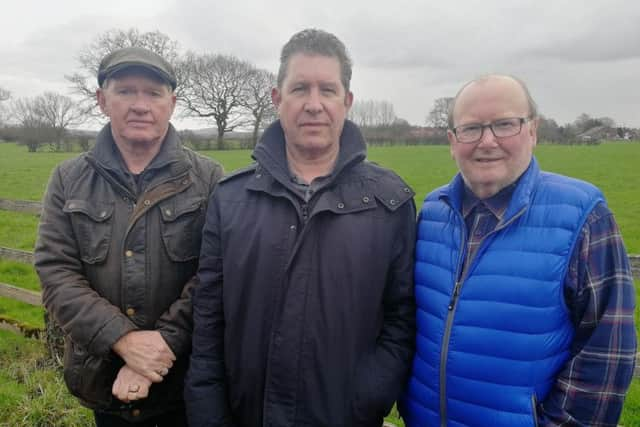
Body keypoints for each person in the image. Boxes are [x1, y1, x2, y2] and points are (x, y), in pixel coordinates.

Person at [185, 28, 416, 427]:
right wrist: (207, 410)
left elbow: (402, 317)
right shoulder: (230, 198)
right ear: (277, 99)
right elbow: (208, 318)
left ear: (347, 101)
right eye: (299, 89)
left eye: (327, 90)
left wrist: (369, 396)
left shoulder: (390, 202)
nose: (313, 105)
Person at [400, 74, 636, 426]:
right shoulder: (432, 212)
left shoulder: (584, 216)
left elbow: (606, 353)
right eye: (471, 129)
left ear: (532, 131)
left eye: (505, 125)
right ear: (452, 141)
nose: (488, 141)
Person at [34, 46, 223, 426]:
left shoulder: (209, 180)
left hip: (184, 383)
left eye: (153, 93)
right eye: (125, 91)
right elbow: (56, 272)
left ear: (172, 103)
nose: (140, 105)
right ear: (102, 100)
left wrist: (164, 342)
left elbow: (216, 274)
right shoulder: (68, 180)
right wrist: (125, 341)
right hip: (103, 378)